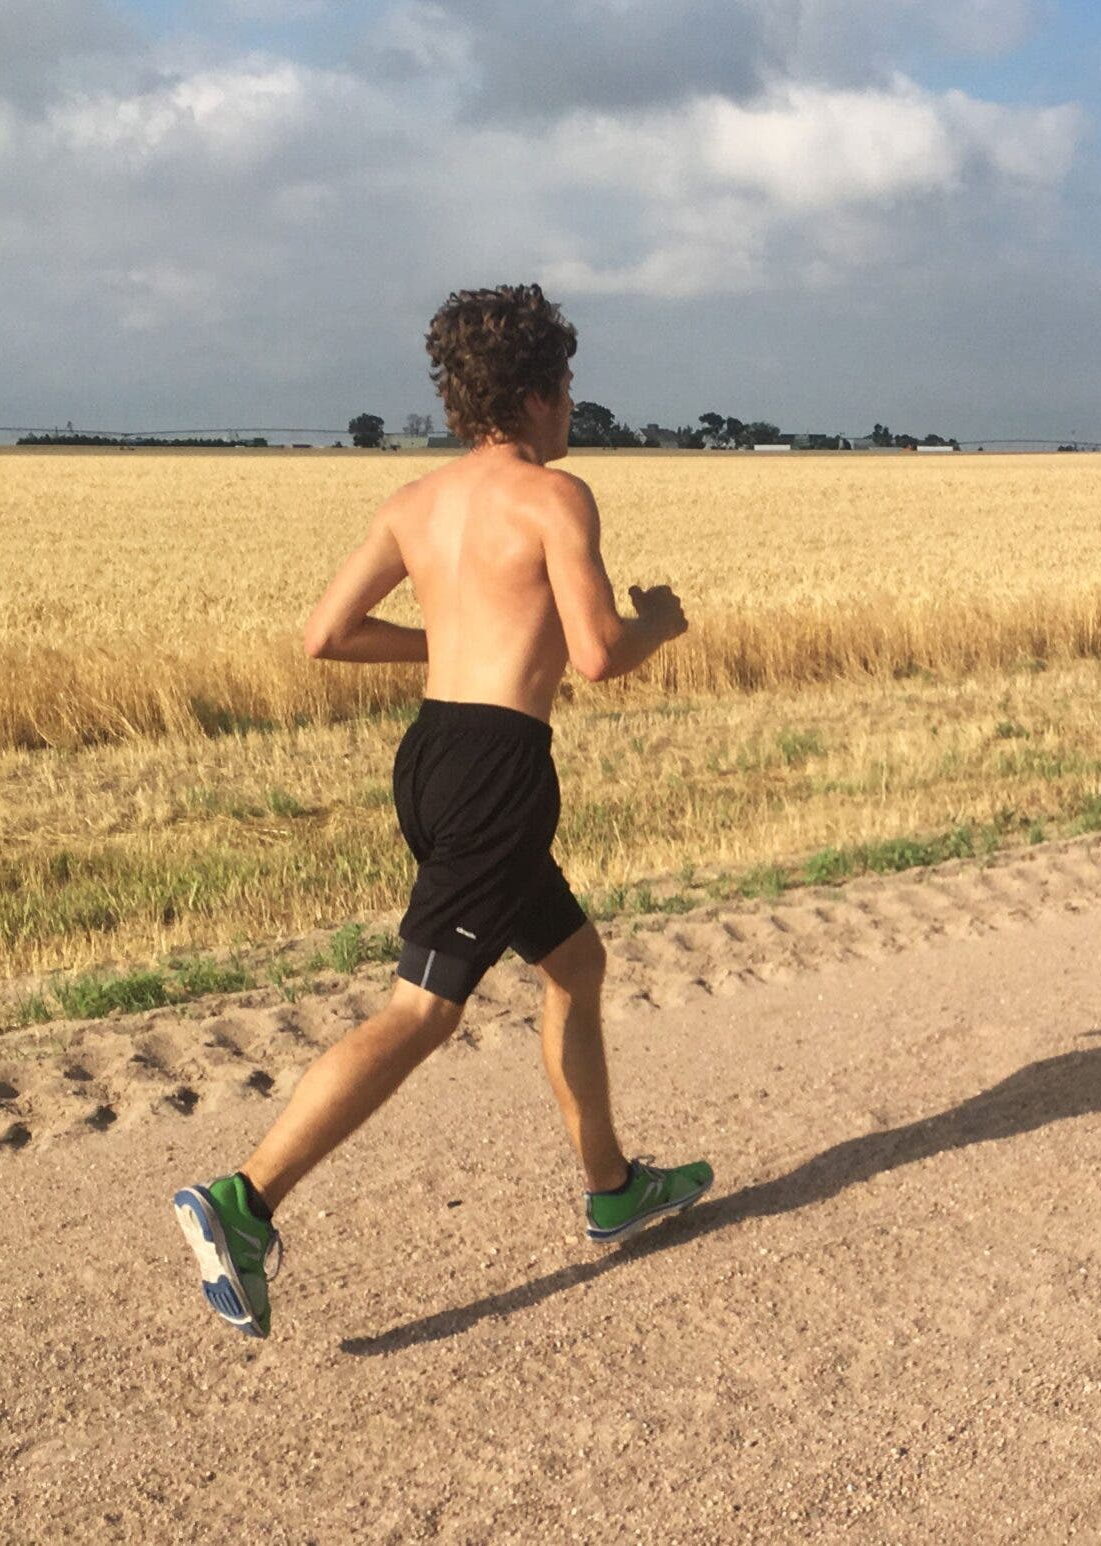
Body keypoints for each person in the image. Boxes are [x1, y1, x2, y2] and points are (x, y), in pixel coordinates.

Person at [172, 284, 711, 1338]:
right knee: (423, 1009)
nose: (572, 409)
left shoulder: (412, 502)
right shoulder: (556, 497)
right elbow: (597, 656)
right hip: (502, 772)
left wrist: (449, 645)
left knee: (574, 964)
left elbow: (325, 634)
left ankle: (612, 1184)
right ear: (540, 391)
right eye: (567, 388)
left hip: (429, 756)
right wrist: (660, 624)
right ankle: (244, 1199)